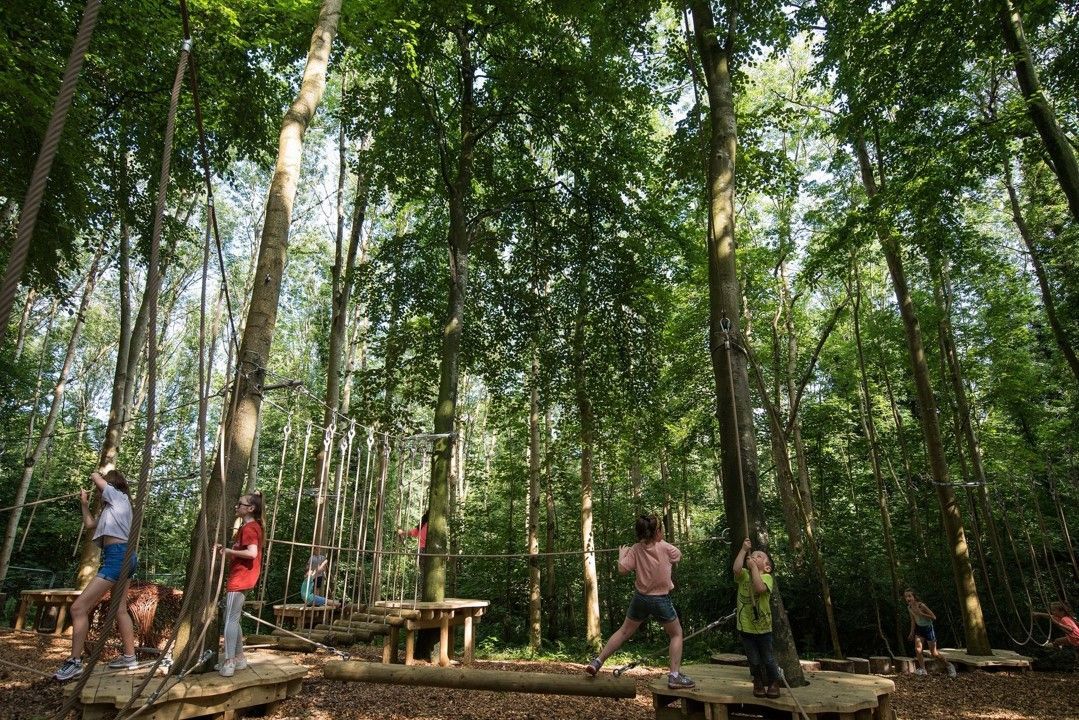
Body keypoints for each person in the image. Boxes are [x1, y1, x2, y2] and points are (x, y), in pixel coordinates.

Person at [583, 514, 695, 690]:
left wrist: (622, 554)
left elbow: (622, 569)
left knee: (624, 632)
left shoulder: (635, 549)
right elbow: (678, 556)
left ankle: (598, 661)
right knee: (676, 633)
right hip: (660, 600)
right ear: (657, 532)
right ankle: (674, 676)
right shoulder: (665, 547)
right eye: (661, 529)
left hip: (640, 599)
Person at [54, 469, 141, 681]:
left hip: (118, 557)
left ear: (112, 485)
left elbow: (99, 481)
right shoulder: (111, 510)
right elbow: (90, 525)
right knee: (120, 609)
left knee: (78, 607)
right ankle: (130, 657)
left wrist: (95, 474)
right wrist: (84, 503)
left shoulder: (119, 498)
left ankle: (75, 661)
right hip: (122, 557)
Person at [215, 492, 263, 678]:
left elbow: (251, 553)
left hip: (241, 577)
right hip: (245, 576)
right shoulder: (252, 526)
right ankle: (240, 658)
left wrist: (227, 551)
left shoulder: (250, 528)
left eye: (240, 504)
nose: (236, 506)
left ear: (250, 508)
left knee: (230, 620)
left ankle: (229, 662)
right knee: (232, 617)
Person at [733, 538, 781, 698]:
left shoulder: (767, 578)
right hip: (745, 626)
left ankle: (774, 681)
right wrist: (743, 549)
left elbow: (760, 588)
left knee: (768, 658)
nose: (754, 556)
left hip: (763, 627)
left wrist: (753, 568)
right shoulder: (744, 575)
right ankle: (758, 680)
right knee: (753, 659)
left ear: (767, 567)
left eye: (759, 556)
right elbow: (736, 568)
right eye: (752, 555)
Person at [904, 588, 956, 677]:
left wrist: (921, 613)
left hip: (928, 629)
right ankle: (923, 669)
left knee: (934, 653)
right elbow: (913, 620)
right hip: (919, 629)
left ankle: (949, 665)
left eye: (909, 596)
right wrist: (911, 632)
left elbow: (933, 617)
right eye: (906, 596)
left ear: (914, 597)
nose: (907, 598)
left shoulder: (921, 606)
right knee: (918, 649)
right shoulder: (909, 607)